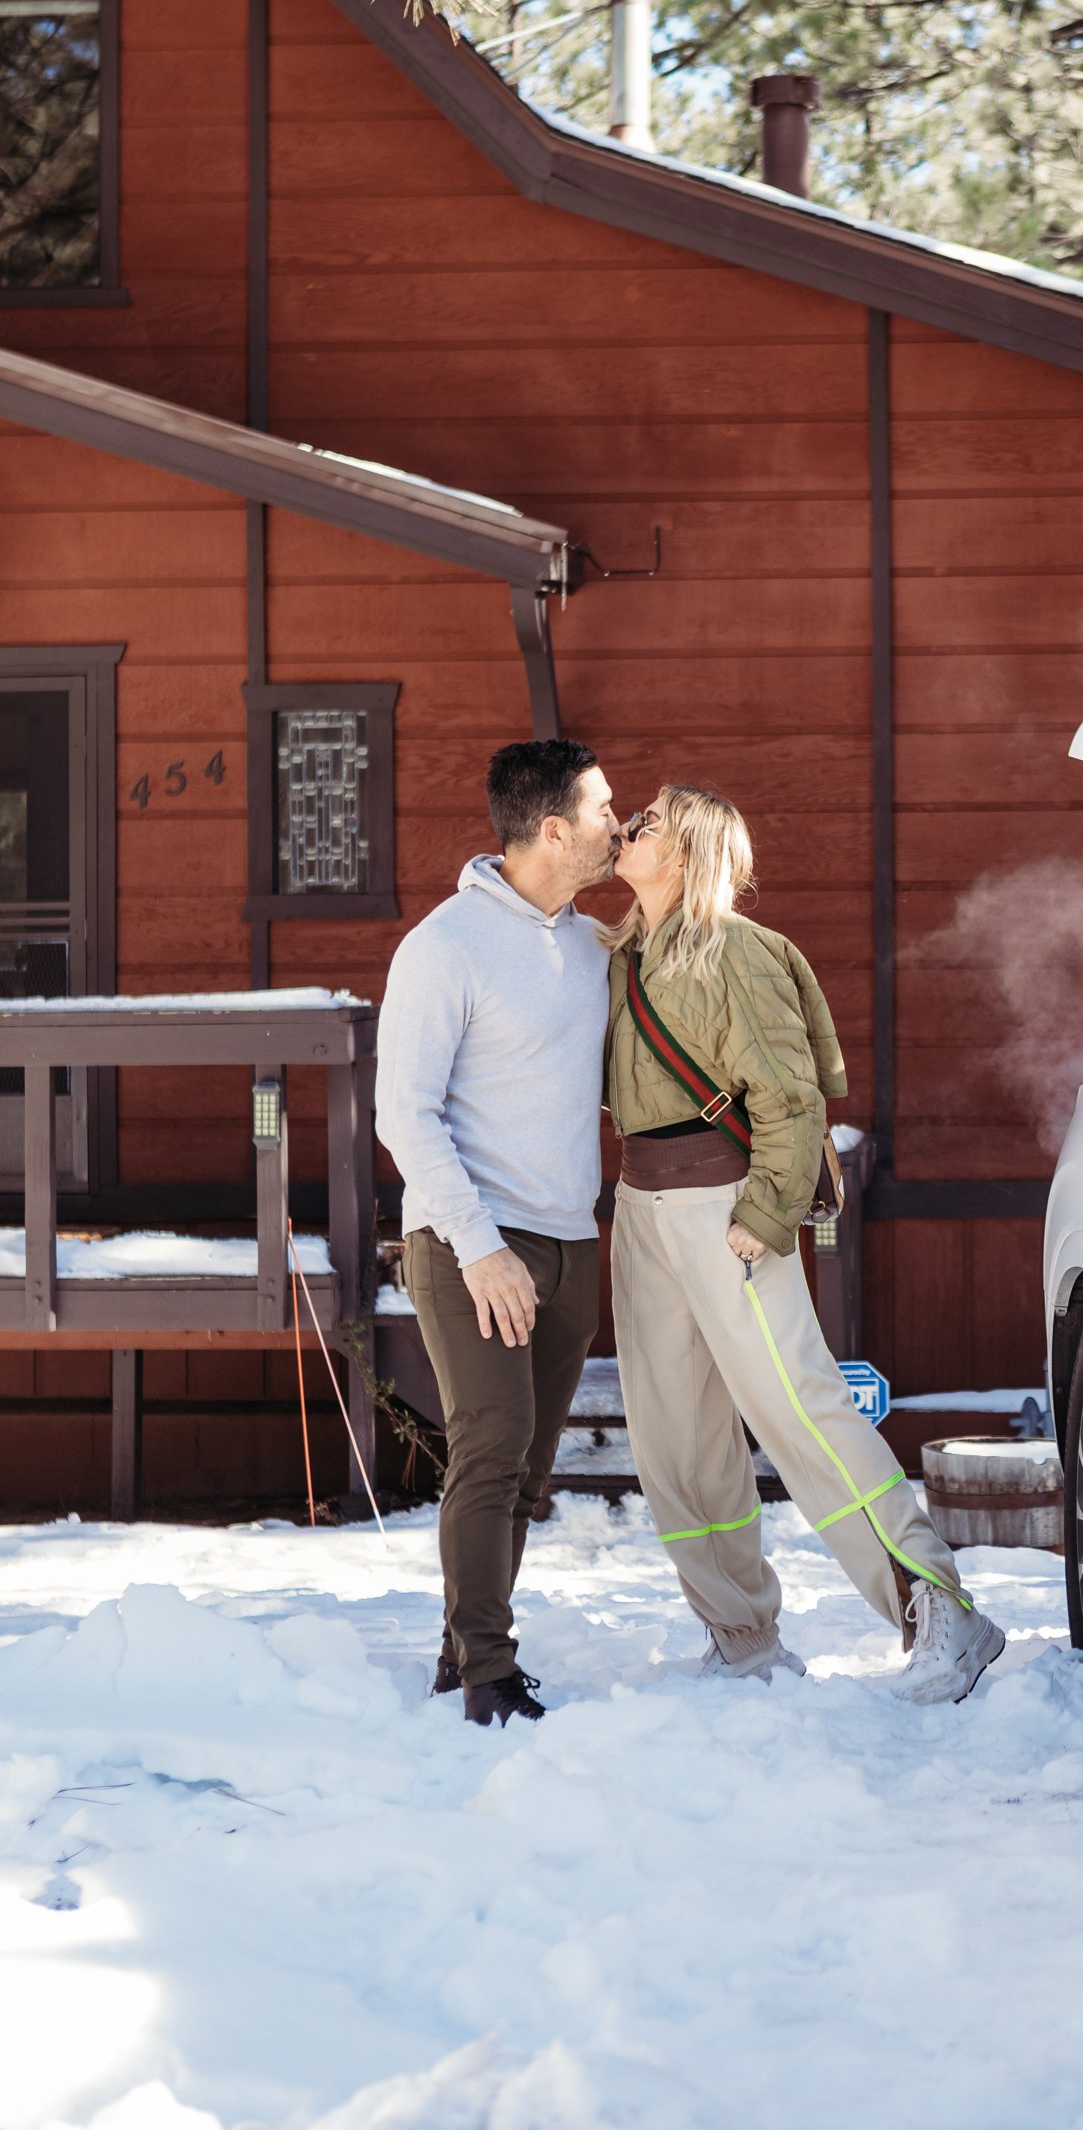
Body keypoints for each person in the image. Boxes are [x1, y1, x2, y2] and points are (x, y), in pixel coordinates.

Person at [604, 783, 1005, 1703]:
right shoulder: (623, 957)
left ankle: (938, 1606)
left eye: (651, 822)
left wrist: (762, 1214)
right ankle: (740, 1636)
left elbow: (789, 1097)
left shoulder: (734, 952)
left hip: (726, 1208)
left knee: (801, 1410)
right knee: (677, 1435)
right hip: (640, 1207)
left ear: (689, 851)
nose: (630, 828)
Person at [376, 739, 619, 1727]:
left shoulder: (588, 943)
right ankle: (486, 1672)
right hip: (472, 1242)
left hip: (571, 1241)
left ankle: (459, 1654)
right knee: (491, 1447)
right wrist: (480, 1246)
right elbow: (404, 1111)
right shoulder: (445, 946)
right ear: (551, 828)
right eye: (605, 808)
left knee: (525, 1471)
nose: (620, 822)